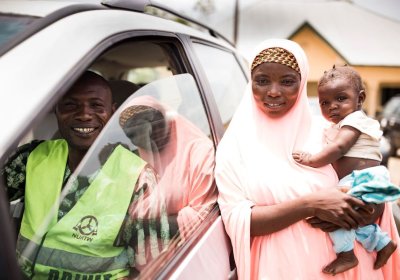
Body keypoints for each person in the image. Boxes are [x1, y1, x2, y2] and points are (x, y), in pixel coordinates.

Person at [214, 39, 400, 279]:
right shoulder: (234, 146)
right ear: (250, 83)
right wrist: (311, 205)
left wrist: (368, 210)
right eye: (262, 81)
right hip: (283, 269)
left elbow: (370, 186)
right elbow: (239, 220)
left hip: (351, 269)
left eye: (287, 81)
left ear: (301, 85)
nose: (273, 91)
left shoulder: (330, 133)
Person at [4, 71, 169, 279]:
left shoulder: (139, 178)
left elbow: (154, 268)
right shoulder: (30, 157)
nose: (84, 114)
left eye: (96, 106)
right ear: (56, 111)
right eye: (71, 105)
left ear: (112, 113)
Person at [292, 65, 399, 275]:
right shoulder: (336, 126)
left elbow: (339, 148)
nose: (332, 106)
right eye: (325, 102)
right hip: (358, 180)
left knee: (337, 216)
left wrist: (311, 160)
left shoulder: (354, 121)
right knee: (355, 221)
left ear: (360, 99)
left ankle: (346, 254)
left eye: (341, 98)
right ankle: (383, 243)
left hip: (362, 179)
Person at [118, 95, 217, 240]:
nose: (147, 133)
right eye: (135, 132)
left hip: (189, 256)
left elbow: (201, 219)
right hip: (144, 261)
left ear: (168, 119)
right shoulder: (133, 167)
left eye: (152, 122)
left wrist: (139, 227)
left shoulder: (200, 153)